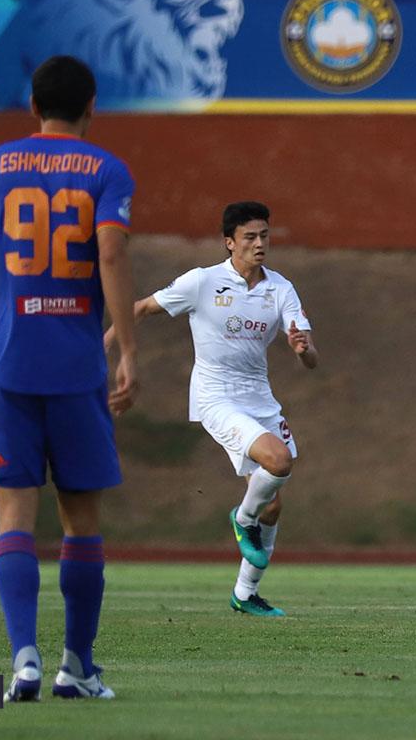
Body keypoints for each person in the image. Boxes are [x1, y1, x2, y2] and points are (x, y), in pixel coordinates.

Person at [0, 55, 139, 701]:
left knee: (14, 516)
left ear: (32, 106)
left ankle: (23, 659)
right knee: (81, 521)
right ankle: (78, 665)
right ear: (91, 106)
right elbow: (110, 251)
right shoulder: (107, 170)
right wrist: (128, 349)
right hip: (75, 367)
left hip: (9, 363)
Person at [110, 201, 316, 618]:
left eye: (265, 236)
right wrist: (106, 348)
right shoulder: (202, 283)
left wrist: (302, 349)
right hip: (215, 396)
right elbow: (139, 308)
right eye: (250, 237)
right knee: (277, 462)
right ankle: (242, 520)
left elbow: (311, 356)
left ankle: (244, 594)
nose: (260, 244)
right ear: (229, 243)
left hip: (260, 398)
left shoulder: (281, 289)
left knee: (273, 504)